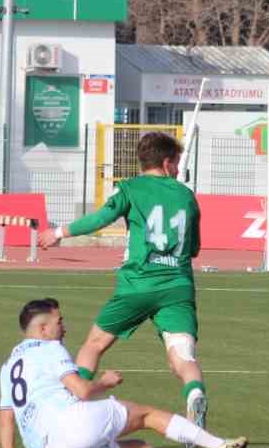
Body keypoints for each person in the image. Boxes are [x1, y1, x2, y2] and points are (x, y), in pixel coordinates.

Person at [37, 131, 212, 427]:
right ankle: (195, 394)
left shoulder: (130, 189)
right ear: (167, 162)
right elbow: (193, 248)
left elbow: (100, 219)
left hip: (138, 284)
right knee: (182, 358)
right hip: (178, 288)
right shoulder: (186, 195)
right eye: (178, 162)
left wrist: (57, 233)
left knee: (94, 344)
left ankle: (71, 404)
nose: (179, 169)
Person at [0, 298, 246, 448]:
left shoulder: (9, 365)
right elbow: (81, 390)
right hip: (71, 423)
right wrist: (104, 382)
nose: (64, 328)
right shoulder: (49, 348)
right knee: (146, 414)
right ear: (43, 328)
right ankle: (220, 445)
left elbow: (6, 417)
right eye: (59, 322)